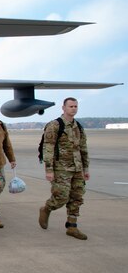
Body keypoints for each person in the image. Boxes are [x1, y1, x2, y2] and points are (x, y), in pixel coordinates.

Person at [39, 97, 89, 240]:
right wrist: (49, 170)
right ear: (63, 108)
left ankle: (72, 227)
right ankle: (47, 208)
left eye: (75, 106)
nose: (73, 109)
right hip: (61, 168)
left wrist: (86, 168)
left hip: (77, 168)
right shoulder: (55, 125)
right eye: (71, 106)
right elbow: (48, 148)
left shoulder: (78, 126)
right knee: (61, 197)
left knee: (77, 197)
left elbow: (83, 148)